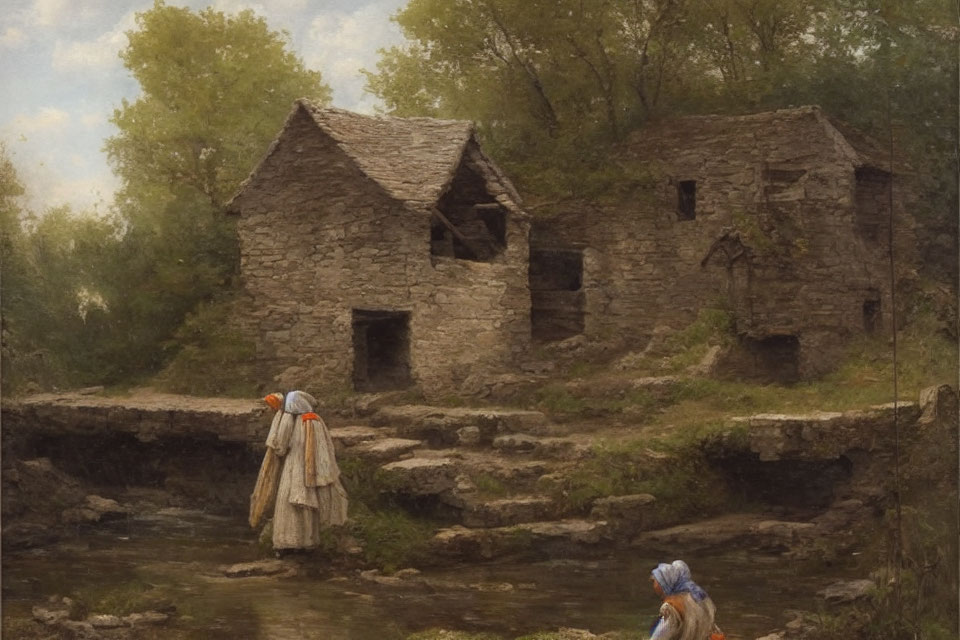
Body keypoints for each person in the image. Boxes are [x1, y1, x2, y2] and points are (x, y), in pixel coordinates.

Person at [257, 390, 348, 551]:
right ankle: (309, 541)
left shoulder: (289, 420)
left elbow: (280, 446)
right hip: (312, 469)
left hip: (295, 466)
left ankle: (289, 543)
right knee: (308, 502)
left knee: (290, 501)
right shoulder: (316, 420)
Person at [649, 560, 724, 640]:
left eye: (655, 581)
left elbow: (659, 637)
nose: (654, 586)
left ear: (665, 582)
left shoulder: (672, 606)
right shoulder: (700, 597)